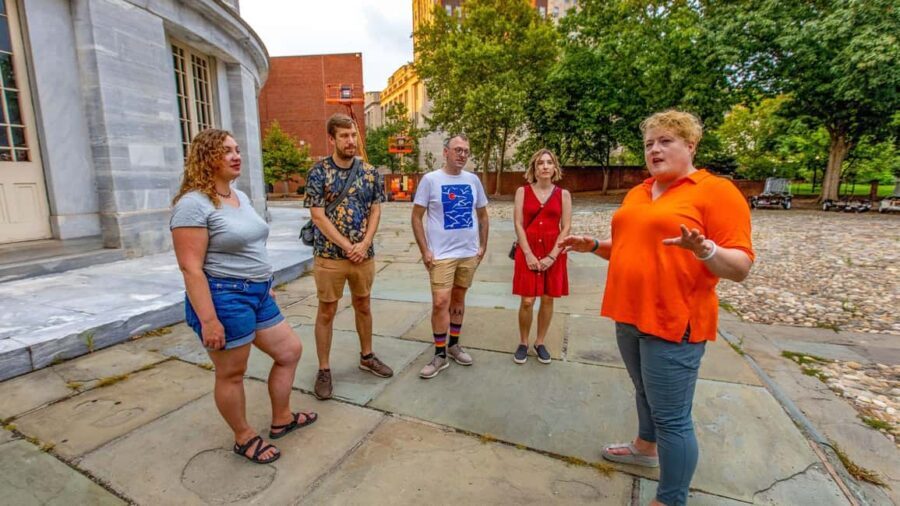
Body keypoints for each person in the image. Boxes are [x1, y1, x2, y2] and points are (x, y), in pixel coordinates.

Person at [559, 110, 754, 506]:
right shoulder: (640, 192)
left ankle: (671, 498)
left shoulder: (715, 191)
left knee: (673, 419)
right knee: (643, 392)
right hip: (628, 313)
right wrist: (595, 246)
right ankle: (645, 448)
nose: (655, 149)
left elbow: (741, 267)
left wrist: (706, 250)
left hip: (674, 321)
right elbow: (632, 250)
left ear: (690, 146)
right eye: (649, 143)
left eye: (666, 141)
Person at [171, 129, 317, 465]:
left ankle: (282, 419)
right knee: (232, 373)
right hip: (224, 297)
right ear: (206, 157)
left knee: (289, 351)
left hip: (258, 293)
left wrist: (264, 281)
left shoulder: (240, 197)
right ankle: (243, 436)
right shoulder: (193, 205)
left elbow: (251, 243)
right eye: (226, 151)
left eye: (237, 149)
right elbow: (191, 268)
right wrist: (209, 320)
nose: (236, 155)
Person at [305, 113, 393, 400]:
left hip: (363, 256)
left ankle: (367, 356)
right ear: (331, 139)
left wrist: (364, 242)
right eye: (344, 136)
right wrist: (346, 245)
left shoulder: (369, 173)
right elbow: (317, 216)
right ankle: (324, 369)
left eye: (353, 135)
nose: (350, 141)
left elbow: (376, 209)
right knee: (327, 311)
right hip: (330, 256)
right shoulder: (319, 173)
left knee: (364, 305)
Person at [411, 133, 489, 379]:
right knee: (440, 302)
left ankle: (454, 345)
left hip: (468, 253)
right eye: (457, 149)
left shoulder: (473, 181)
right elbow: (416, 217)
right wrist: (425, 250)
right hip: (441, 255)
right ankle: (439, 354)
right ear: (445, 152)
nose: (462, 154)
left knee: (458, 299)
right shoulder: (431, 180)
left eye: (466, 150)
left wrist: (482, 246)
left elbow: (483, 216)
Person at [512, 149, 571, 364]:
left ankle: (540, 341)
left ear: (555, 168)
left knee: (547, 298)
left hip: (552, 251)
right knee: (527, 300)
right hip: (528, 249)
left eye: (549, 163)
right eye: (540, 163)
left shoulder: (563, 194)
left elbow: (566, 227)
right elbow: (518, 223)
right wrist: (527, 253)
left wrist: (552, 256)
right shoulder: (522, 192)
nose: (545, 166)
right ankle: (523, 341)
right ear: (534, 169)